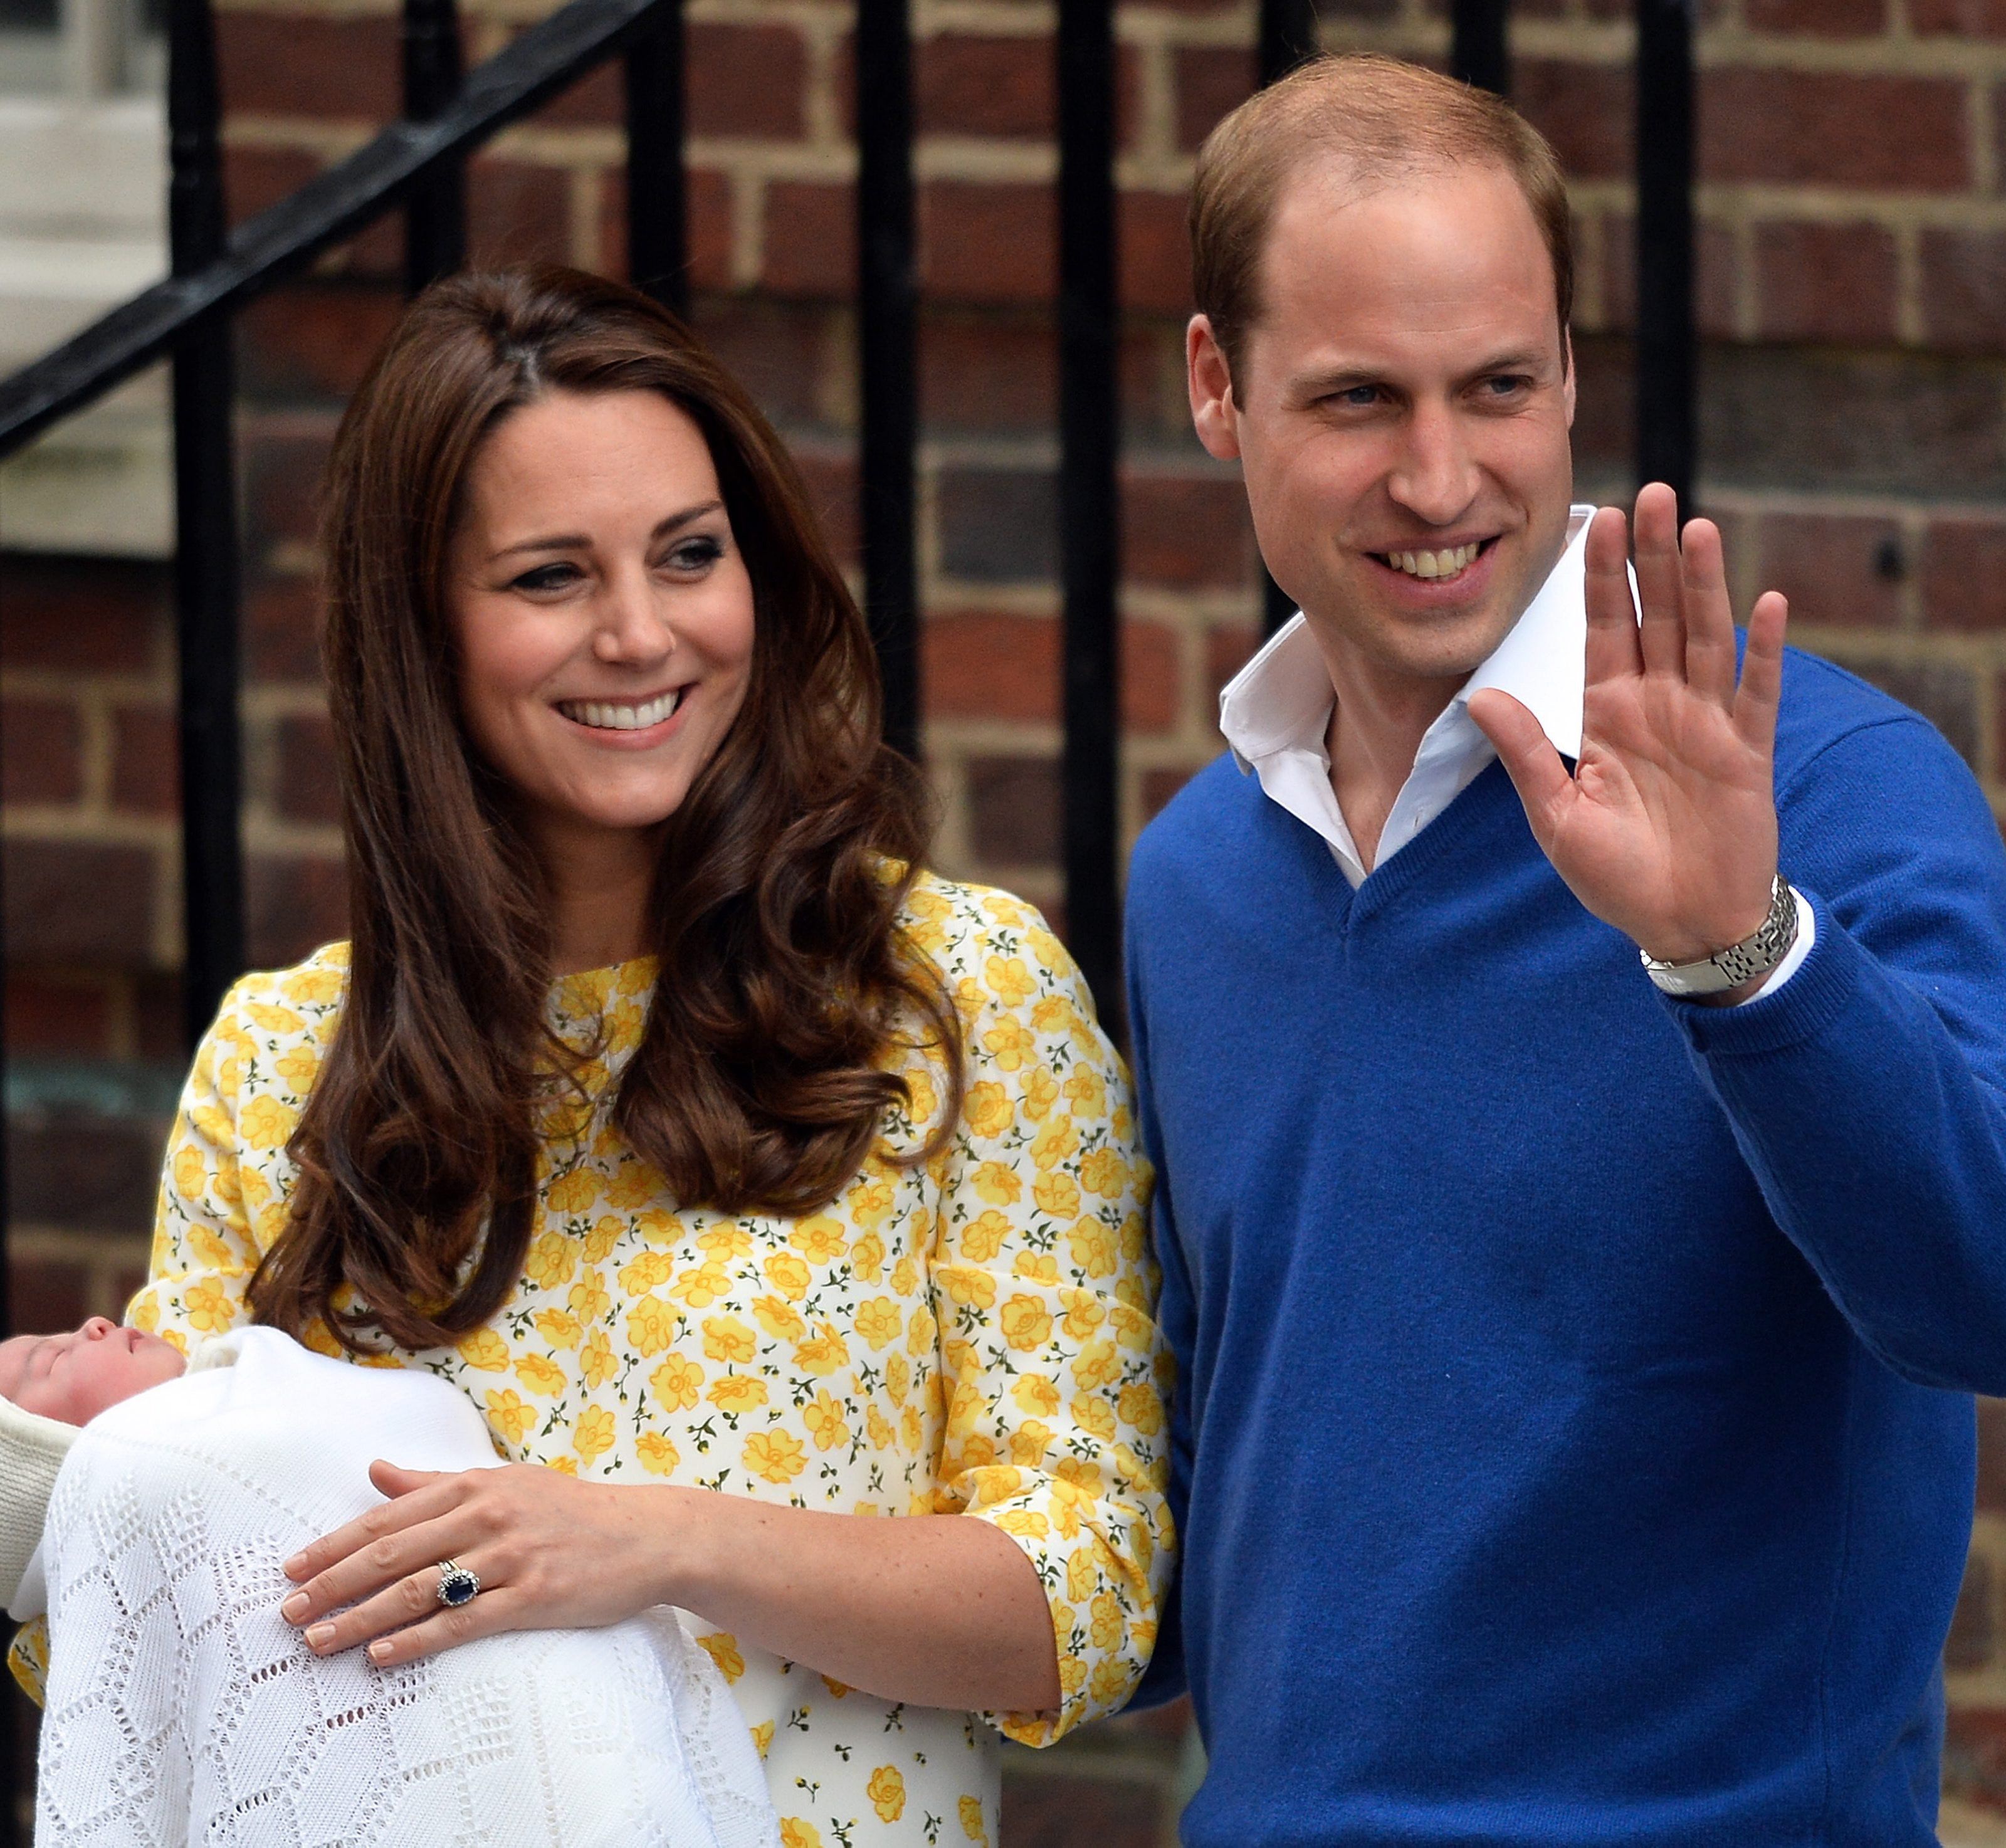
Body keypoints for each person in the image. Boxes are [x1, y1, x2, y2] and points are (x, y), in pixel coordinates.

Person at [4, 265, 1171, 1847]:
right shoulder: (280, 1069)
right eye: (552, 577)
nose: (641, 633)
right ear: (424, 630)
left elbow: (1087, 1598)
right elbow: (152, 1622)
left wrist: (660, 1544)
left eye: (689, 556)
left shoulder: (953, 993)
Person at [1125, 52, 2006, 1848]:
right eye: (1360, 396)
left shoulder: (1828, 790)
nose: (1441, 476)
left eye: (1501, 387)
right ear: (1217, 386)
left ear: (1572, 376)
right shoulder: (1194, 873)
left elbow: (1980, 1293)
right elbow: (1204, 1487)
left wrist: (1740, 955)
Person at [2, 1316, 778, 1848]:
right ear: (40, 1468)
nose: (93, 1325)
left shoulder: (264, 1383)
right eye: (50, 1360)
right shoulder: (140, 1477)